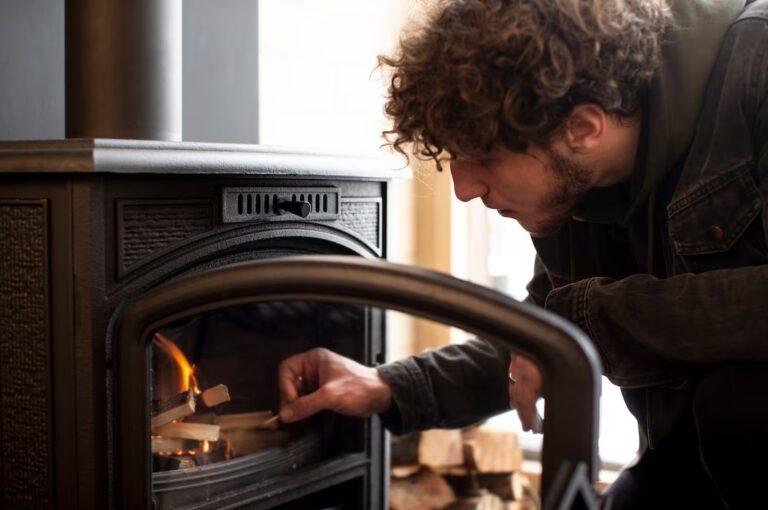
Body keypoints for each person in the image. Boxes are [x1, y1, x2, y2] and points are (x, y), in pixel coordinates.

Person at [278, 0, 768, 507]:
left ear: (584, 128)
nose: (463, 188)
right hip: (690, 467)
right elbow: (536, 344)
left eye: (485, 156)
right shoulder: (577, 185)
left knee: (738, 402)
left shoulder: (758, 67)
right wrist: (386, 386)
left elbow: (582, 323)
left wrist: (590, 320)